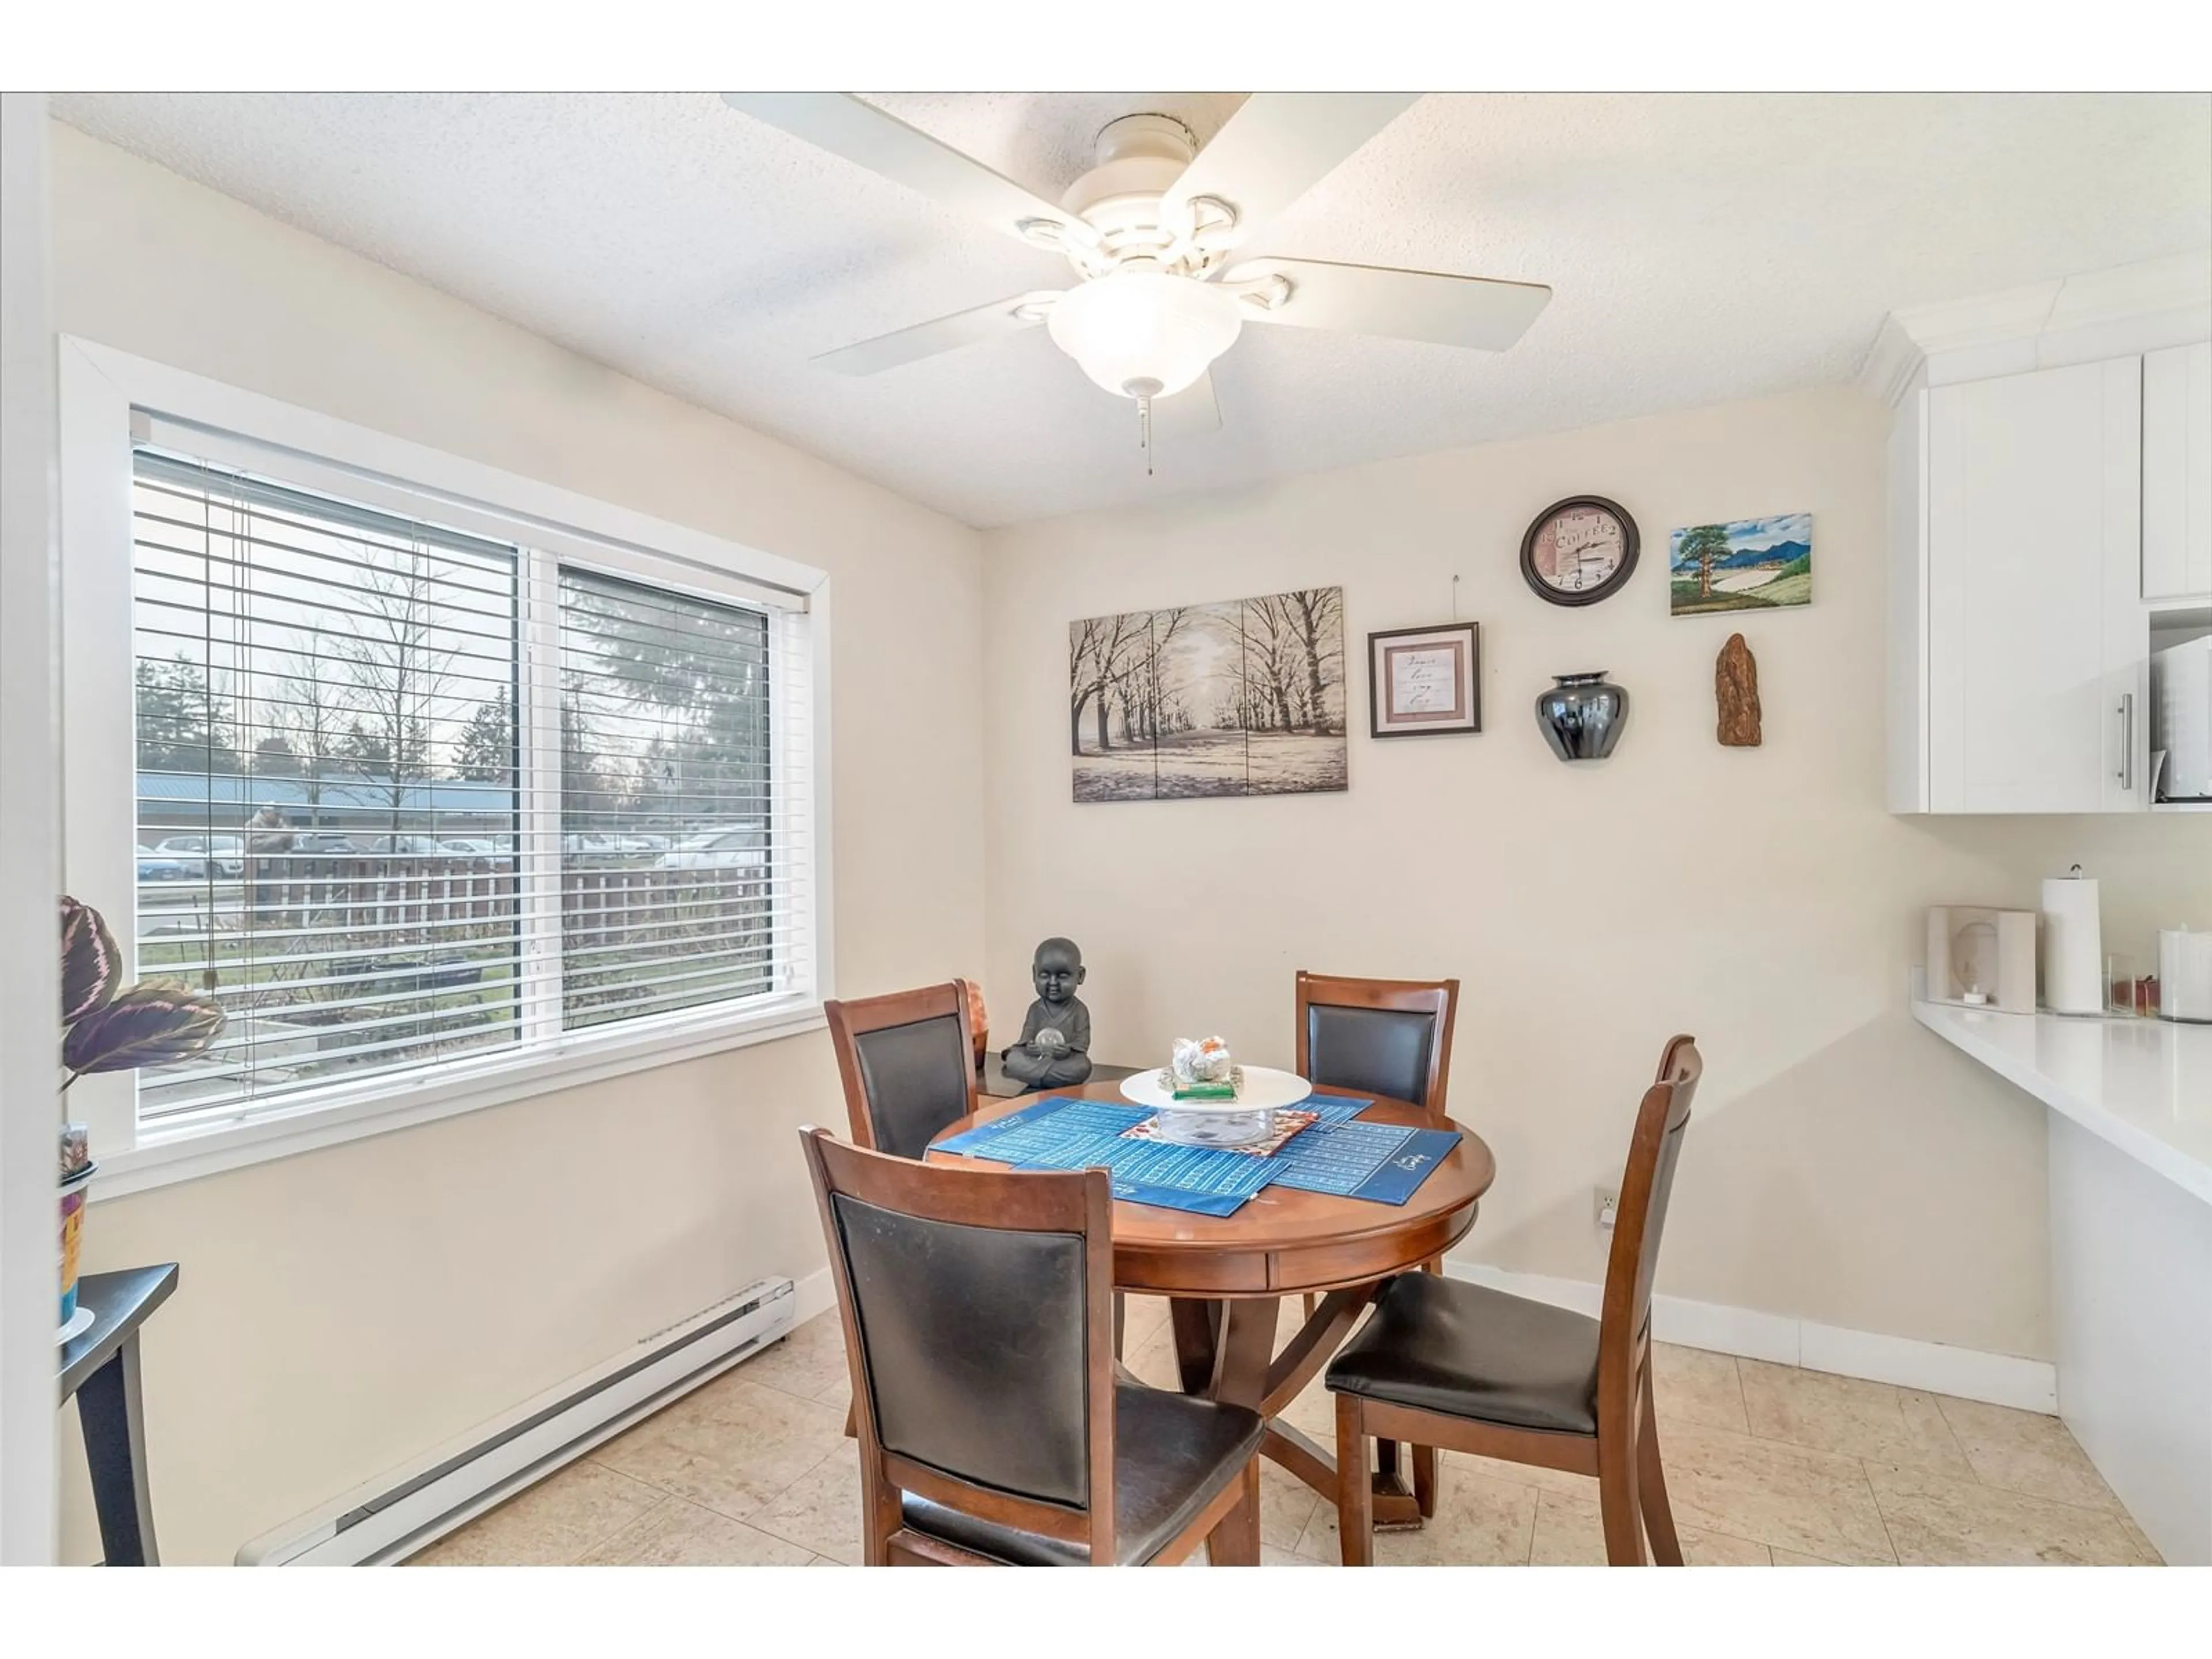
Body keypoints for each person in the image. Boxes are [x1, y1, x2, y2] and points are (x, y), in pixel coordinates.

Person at [1001, 937, 1093, 1092]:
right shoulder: (1035, 1009)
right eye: (1045, 975)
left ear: (1080, 975)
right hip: (1037, 1058)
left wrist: (1068, 1050)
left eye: (1063, 976)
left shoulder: (1079, 1010)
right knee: (1014, 1058)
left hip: (1064, 1061)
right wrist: (1031, 1047)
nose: (1053, 982)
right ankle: (1048, 1078)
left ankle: (1036, 1078)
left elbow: (1082, 1042)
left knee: (1083, 1066)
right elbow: (1026, 1039)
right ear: (1034, 973)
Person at [244, 803, 294, 922]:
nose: (278, 817)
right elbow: (252, 846)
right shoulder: (253, 825)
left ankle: (273, 921)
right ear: (266, 813)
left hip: (277, 867)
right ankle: (261, 921)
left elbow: (289, 846)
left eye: (279, 814)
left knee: (275, 895)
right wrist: (280, 837)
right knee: (261, 895)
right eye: (276, 814)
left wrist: (290, 836)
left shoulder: (281, 825)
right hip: (259, 868)